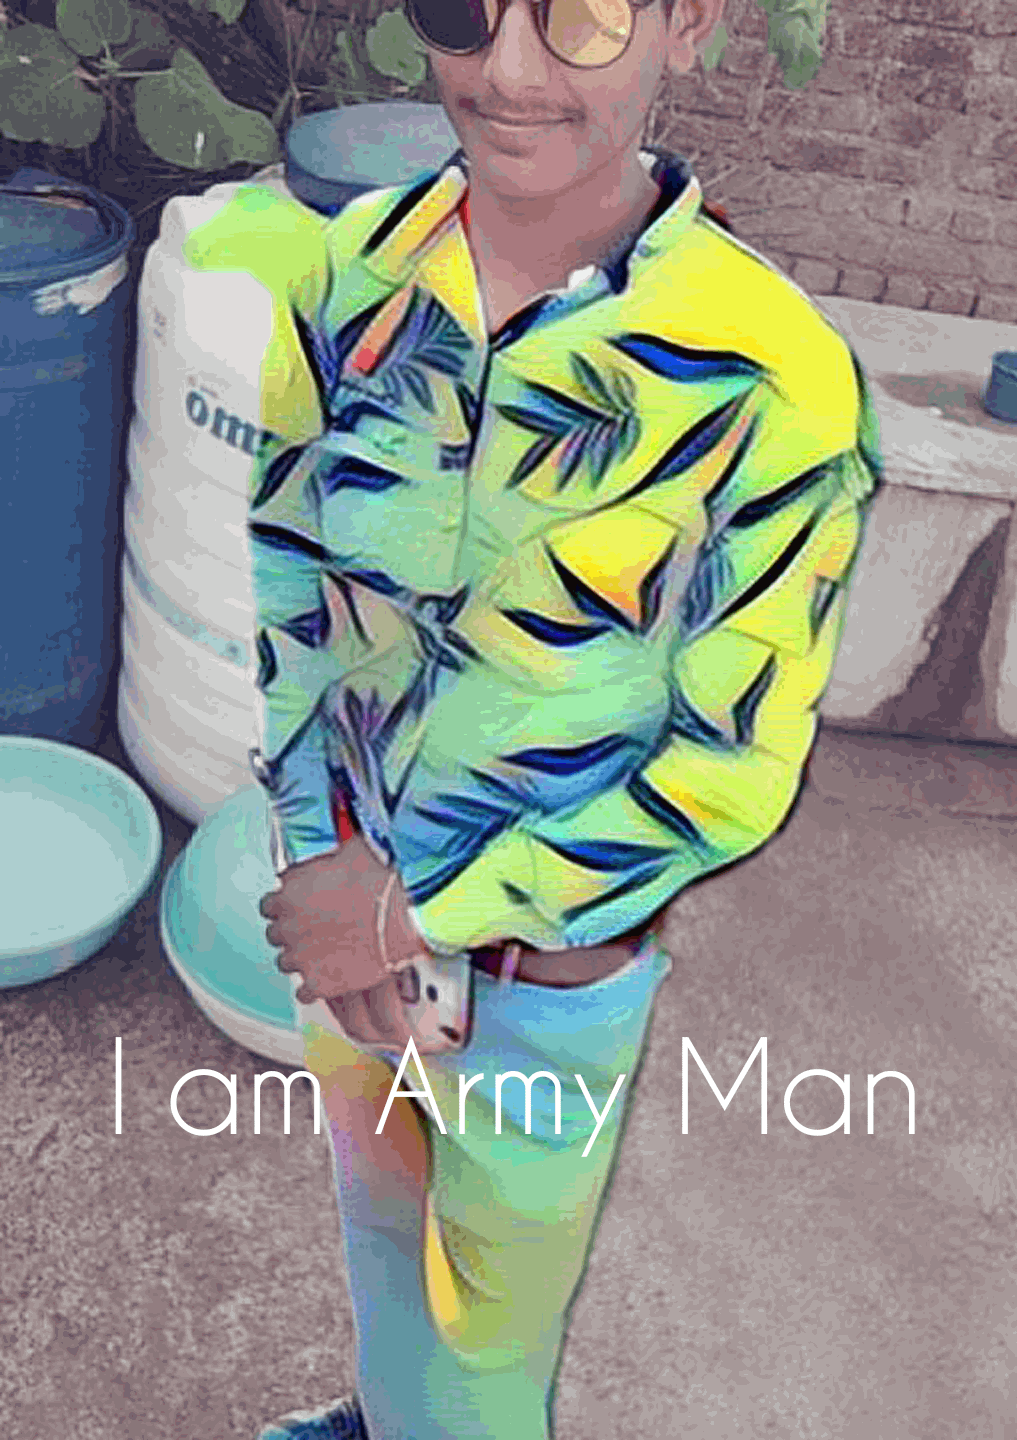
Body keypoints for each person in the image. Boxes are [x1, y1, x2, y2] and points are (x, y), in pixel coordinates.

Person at [206, 0, 885, 1435]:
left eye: (579, 17)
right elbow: (291, 578)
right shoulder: (353, 272)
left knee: (492, 1333)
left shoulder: (772, 376)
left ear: (686, 25)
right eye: (463, 11)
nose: (507, 71)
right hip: (343, 903)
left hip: (540, 980)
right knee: (379, 1235)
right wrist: (324, 861)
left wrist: (413, 913)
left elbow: (733, 768)